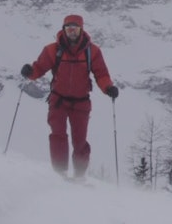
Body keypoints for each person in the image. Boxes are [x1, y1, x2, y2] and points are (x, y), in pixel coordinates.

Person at [20, 14, 119, 177]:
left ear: (81, 30)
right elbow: (39, 68)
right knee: (58, 134)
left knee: (80, 141)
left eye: (75, 28)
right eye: (68, 28)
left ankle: (79, 176)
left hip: (81, 102)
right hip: (58, 100)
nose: (71, 32)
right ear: (63, 30)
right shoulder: (52, 50)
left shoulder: (92, 51)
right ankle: (60, 174)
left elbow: (101, 74)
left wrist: (108, 88)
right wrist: (30, 72)